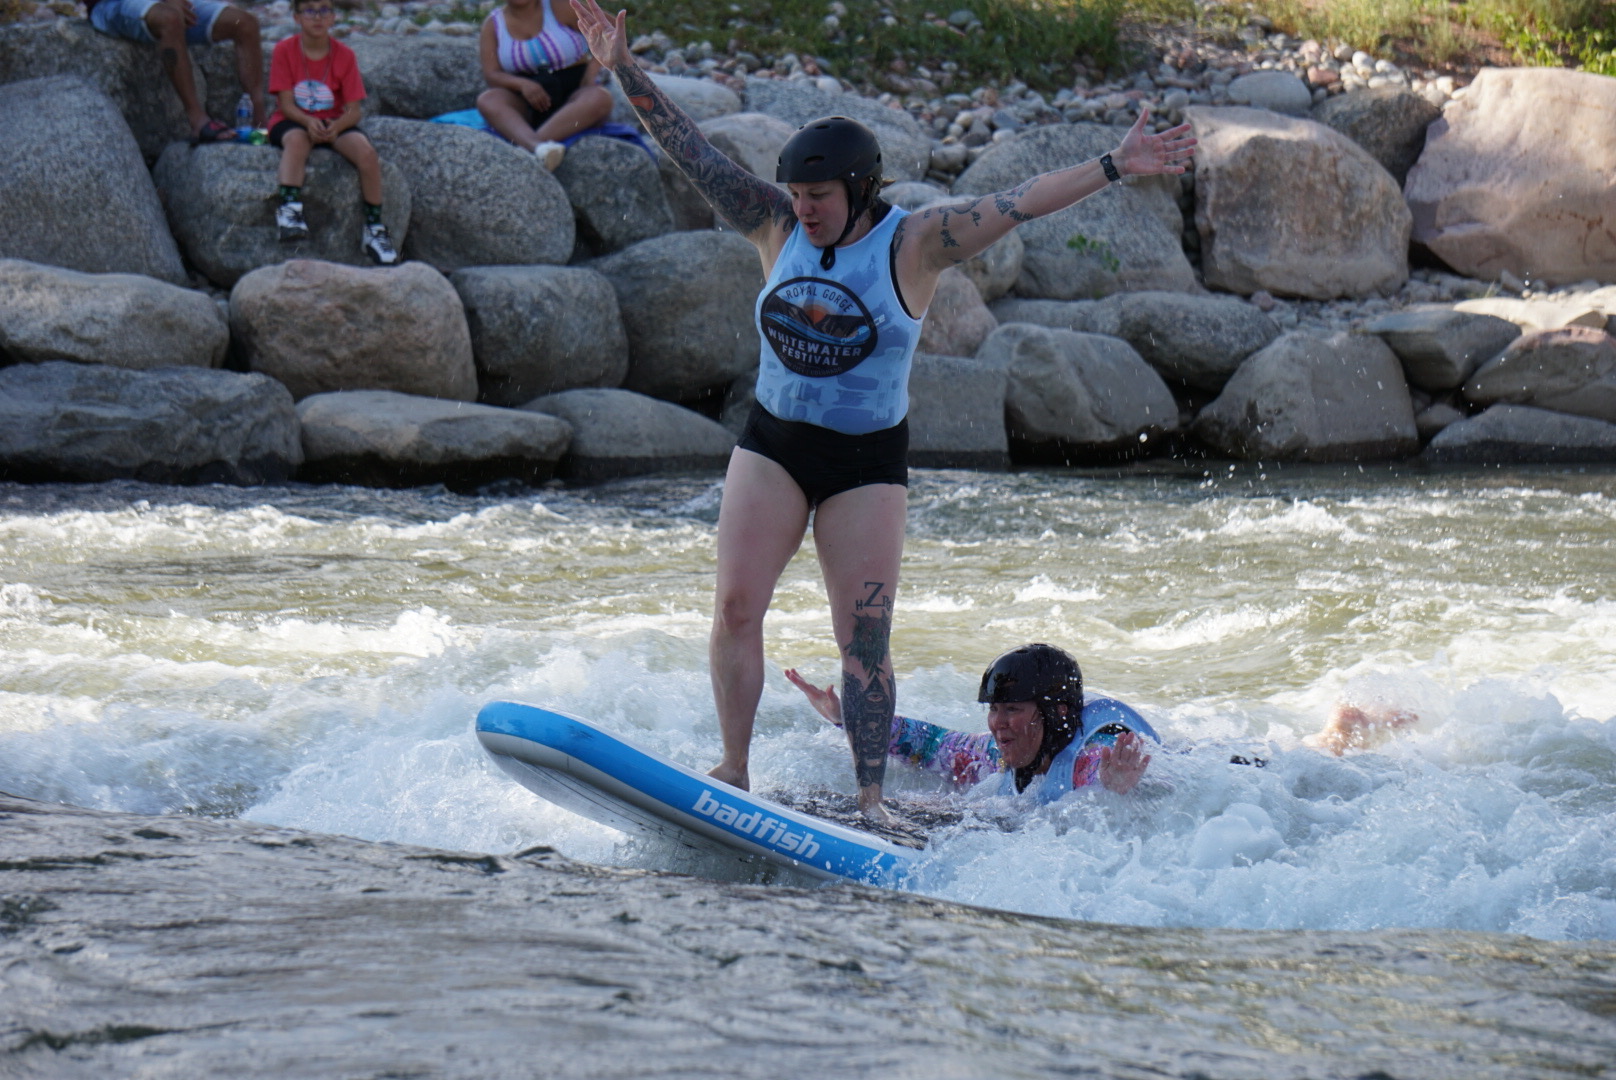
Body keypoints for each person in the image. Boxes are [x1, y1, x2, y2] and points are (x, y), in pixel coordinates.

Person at [572, 0, 1197, 821]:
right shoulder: (772, 220)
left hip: (866, 462)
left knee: (862, 642)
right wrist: (622, 69)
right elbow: (693, 152)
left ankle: (870, 800)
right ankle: (731, 768)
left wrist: (1114, 165)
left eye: (820, 196)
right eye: (797, 194)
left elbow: (1021, 199)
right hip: (774, 443)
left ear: (859, 189)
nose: (804, 208)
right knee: (733, 607)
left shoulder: (918, 242)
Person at [788, 643, 1158, 800]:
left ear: (1058, 713)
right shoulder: (995, 754)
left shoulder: (1092, 759)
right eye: (994, 709)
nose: (997, 723)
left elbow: (1107, 766)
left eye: (1012, 710)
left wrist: (1114, 786)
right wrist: (849, 718)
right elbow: (927, 743)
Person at [266, 0, 397, 265]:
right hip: (294, 119)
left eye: (325, 10)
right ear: (296, 17)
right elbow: (286, 104)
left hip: (334, 122)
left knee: (367, 154)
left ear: (333, 17)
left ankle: (374, 229)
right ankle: (290, 209)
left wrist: (335, 127)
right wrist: (307, 122)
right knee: (298, 141)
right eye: (310, 11)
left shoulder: (344, 55)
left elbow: (354, 110)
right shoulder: (285, 50)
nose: (318, 17)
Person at [87, 0, 265, 144]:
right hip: (110, 5)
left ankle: (259, 120)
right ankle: (198, 120)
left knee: (244, 23)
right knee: (169, 18)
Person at [476, 0, 612, 171]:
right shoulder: (493, 25)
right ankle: (538, 147)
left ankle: (531, 146)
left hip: (573, 95)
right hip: (528, 102)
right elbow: (491, 74)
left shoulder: (560, 6)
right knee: (488, 100)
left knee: (599, 97)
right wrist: (522, 84)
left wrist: (591, 73)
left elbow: (610, 30)